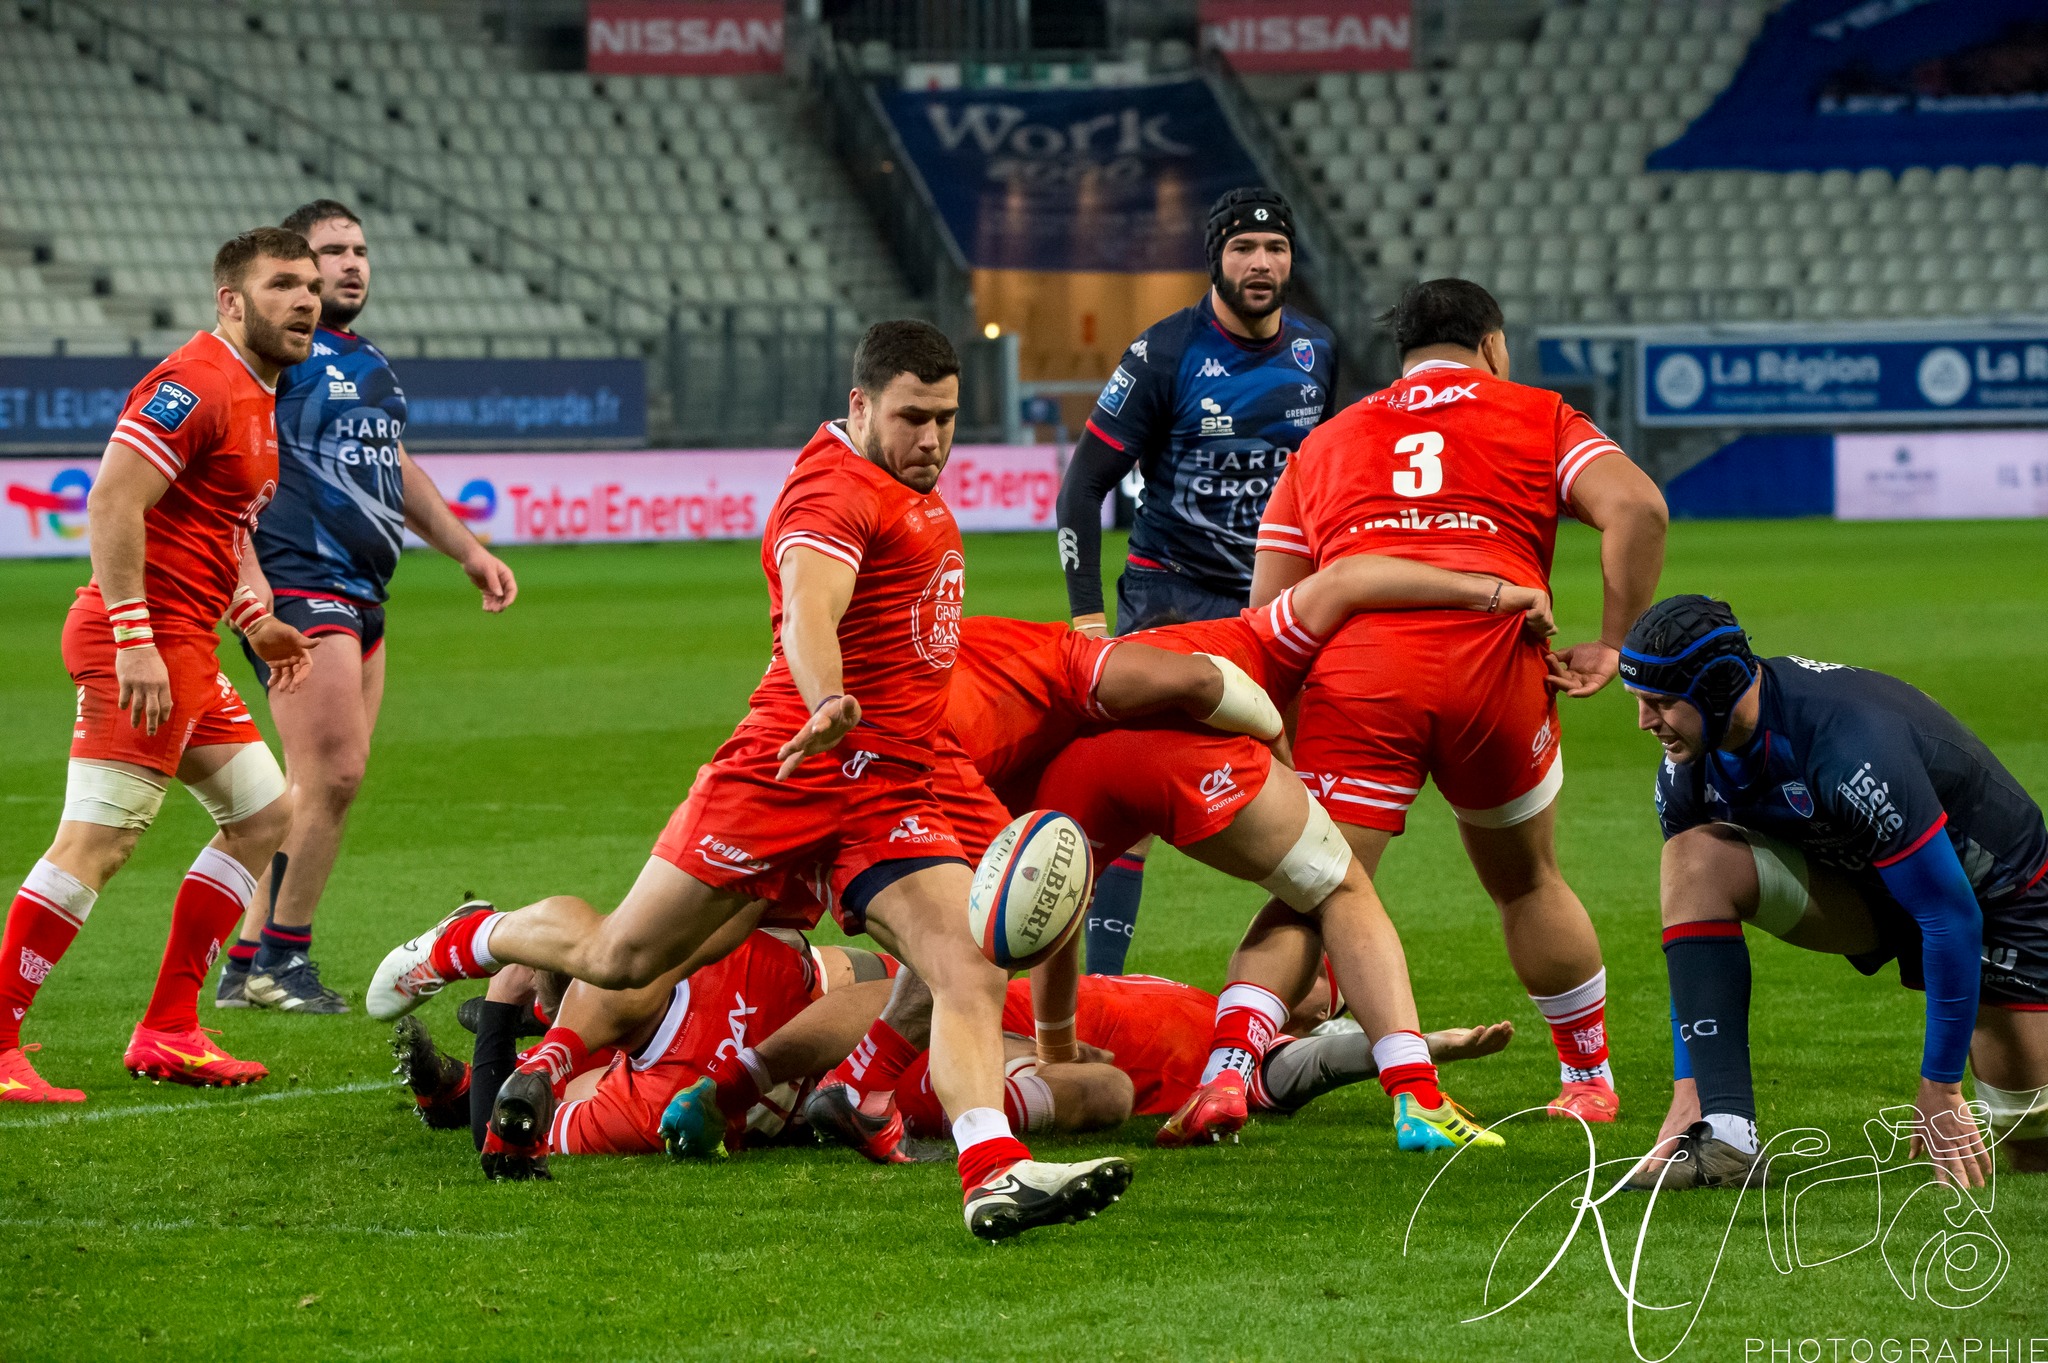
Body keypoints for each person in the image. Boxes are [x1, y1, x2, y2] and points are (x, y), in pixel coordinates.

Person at [363, 321, 1133, 1242]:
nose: (932, 439)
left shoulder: (910, 487)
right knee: (621, 957)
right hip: (788, 770)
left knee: (967, 960)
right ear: (860, 405)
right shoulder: (832, 491)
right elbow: (809, 607)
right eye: (912, 417)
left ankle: (990, 1170)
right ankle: (470, 937)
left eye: (946, 418)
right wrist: (827, 696)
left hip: (887, 789)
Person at [1251, 278, 1669, 1124]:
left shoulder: (1325, 442)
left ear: (1402, 353)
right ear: (1493, 344)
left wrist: (1279, 738)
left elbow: (1271, 613)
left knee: (1319, 890)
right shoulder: (1539, 414)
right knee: (1527, 882)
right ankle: (1588, 1078)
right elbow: (1639, 507)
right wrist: (1614, 641)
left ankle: (1232, 1068)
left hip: (1361, 676)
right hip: (1496, 661)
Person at [0, 229, 323, 1101]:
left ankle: (170, 1029)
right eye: (282, 284)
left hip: (186, 642)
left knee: (265, 815)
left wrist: (254, 619)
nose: (305, 299)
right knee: (98, 841)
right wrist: (134, 636)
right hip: (142, 641)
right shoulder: (198, 382)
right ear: (231, 301)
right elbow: (113, 498)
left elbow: (222, 524)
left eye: (310, 285)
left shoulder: (258, 389)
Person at [1616, 595, 2048, 1190]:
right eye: (1639, 700)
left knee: (2030, 1137)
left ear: (1716, 689)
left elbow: (1951, 916)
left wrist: (1941, 1086)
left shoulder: (1848, 745)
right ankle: (1726, 1132)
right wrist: (1689, 1091)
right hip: (1867, 885)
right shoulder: (1687, 770)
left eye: (1662, 702)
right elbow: (1692, 954)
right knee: (1693, 860)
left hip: (1998, 902)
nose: (1645, 721)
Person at [215, 199, 518, 1016]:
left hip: (363, 592)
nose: (349, 265)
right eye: (329, 254)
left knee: (311, 785)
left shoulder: (367, 360)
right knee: (334, 775)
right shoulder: (273, 358)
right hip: (301, 584)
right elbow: (220, 464)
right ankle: (281, 959)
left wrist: (467, 549)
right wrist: (251, 585)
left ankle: (246, 962)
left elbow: (396, 466)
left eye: (359, 249)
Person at [1055, 187, 1338, 975]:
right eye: (1243, 248)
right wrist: (1087, 619)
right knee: (1131, 798)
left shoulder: (1319, 350)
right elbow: (1081, 488)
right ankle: (1102, 985)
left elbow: (1326, 480)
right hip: (1169, 599)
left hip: (1274, 608)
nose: (1261, 263)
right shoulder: (1164, 354)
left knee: (1307, 790)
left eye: (1275, 248)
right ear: (1215, 257)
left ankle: (1312, 984)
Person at [391, 931, 899, 1171]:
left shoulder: (637, 1113)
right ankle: (475, 1074)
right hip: (896, 1037)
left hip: (897, 1079)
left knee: (575, 1083)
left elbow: (502, 1128)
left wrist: (501, 1007)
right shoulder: (727, 946)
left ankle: (474, 1076)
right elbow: (867, 976)